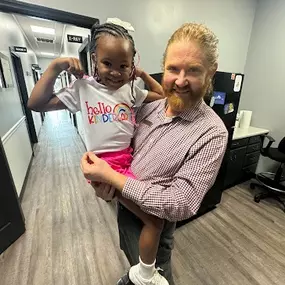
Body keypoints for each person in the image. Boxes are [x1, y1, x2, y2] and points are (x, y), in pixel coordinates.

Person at [80, 23, 229, 285]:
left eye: (193, 70)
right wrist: (104, 187)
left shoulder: (212, 132)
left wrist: (113, 179)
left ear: (210, 72)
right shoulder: (148, 108)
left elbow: (181, 202)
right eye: (173, 69)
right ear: (164, 67)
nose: (180, 80)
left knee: (156, 276)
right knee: (131, 257)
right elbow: (120, 152)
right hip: (125, 209)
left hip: (154, 224)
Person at [28, 23, 172, 285]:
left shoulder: (130, 90)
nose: (116, 72)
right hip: (103, 168)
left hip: (129, 163)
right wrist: (54, 66)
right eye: (108, 63)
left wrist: (142, 74)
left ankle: (140, 270)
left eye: (124, 65)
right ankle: (145, 275)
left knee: (144, 220)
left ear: (131, 65)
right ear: (94, 60)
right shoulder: (84, 89)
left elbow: (163, 97)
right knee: (154, 222)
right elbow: (36, 103)